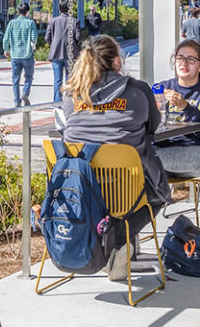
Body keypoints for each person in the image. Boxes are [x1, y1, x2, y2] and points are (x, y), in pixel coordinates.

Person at [61, 34, 169, 281]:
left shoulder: (72, 95)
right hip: (128, 189)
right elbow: (153, 126)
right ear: (117, 62)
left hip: (80, 191)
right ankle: (119, 240)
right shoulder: (138, 89)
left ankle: (105, 241)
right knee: (160, 195)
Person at [156, 39, 200, 181]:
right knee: (139, 158)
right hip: (162, 148)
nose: (184, 63)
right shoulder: (162, 88)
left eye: (191, 59)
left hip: (198, 153)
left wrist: (186, 107)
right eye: (180, 58)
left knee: (142, 160)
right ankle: (154, 201)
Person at [2, 2, 39, 106]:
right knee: (28, 76)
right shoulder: (30, 23)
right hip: (27, 54)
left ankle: (16, 100)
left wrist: (6, 49)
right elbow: (34, 37)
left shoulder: (12, 23)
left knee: (15, 78)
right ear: (27, 12)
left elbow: (6, 38)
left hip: (15, 55)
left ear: (18, 12)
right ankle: (25, 93)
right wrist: (33, 45)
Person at [47, 1, 74, 102]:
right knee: (69, 79)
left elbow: (47, 37)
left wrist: (53, 45)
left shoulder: (53, 21)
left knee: (57, 79)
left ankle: (57, 103)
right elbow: (77, 37)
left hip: (56, 54)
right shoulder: (74, 21)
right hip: (69, 54)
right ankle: (69, 102)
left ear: (59, 9)